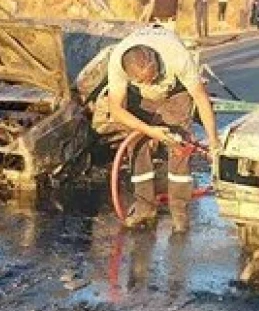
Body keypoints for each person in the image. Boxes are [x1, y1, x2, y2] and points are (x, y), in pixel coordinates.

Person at [93, 26, 219, 233]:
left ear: (156, 62)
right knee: (137, 145)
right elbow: (116, 109)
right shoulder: (117, 62)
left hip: (175, 93)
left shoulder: (177, 57)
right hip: (140, 97)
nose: (151, 83)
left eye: (153, 76)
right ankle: (145, 208)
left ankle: (179, 213)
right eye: (144, 80)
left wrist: (214, 142)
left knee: (179, 146)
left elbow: (201, 98)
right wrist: (148, 131)